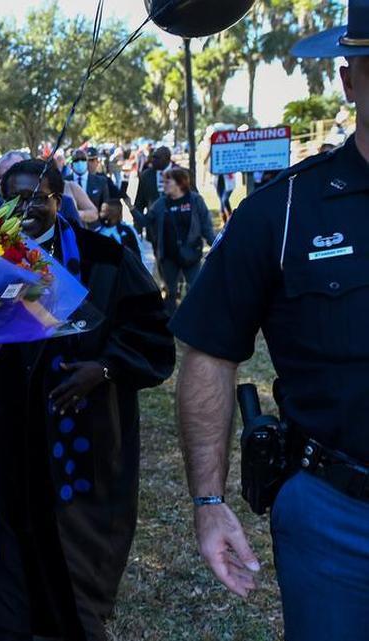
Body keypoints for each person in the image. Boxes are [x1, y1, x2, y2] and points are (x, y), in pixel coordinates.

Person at [170, 19, 369, 640]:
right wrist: (208, 500)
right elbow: (208, 350)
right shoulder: (282, 211)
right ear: (348, 80)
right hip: (337, 519)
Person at [0, 159, 174, 641]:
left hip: (77, 451)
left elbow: (154, 338)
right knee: (12, 583)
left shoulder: (103, 259)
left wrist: (103, 369)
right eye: (13, 197)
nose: (25, 208)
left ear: (58, 201)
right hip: (5, 450)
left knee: (73, 587)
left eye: (37, 197)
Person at [145, 167, 215, 315]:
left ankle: (196, 320)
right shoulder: (161, 203)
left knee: (196, 288)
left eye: (167, 181)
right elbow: (147, 221)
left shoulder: (195, 200)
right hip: (169, 256)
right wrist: (131, 208)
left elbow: (206, 227)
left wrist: (216, 246)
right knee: (170, 292)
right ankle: (171, 325)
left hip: (191, 254)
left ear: (179, 183)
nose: (163, 185)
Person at [132, 146, 174, 240]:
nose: (153, 160)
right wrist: (137, 230)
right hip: (154, 227)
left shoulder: (181, 172)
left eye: (157, 158)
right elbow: (139, 202)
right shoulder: (146, 176)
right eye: (153, 157)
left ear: (167, 159)